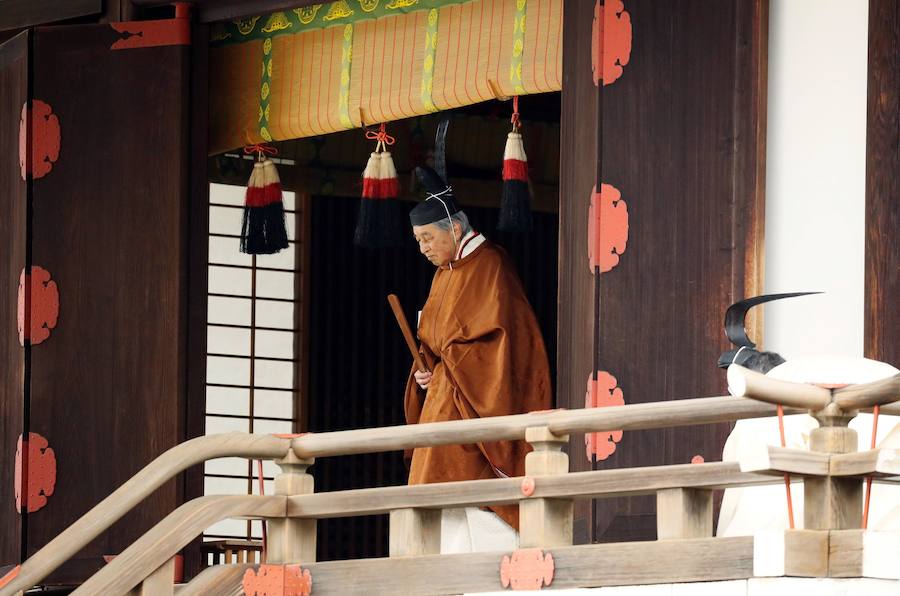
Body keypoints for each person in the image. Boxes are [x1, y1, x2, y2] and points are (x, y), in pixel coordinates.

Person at [403, 165, 552, 554]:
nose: (423, 249)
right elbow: (435, 343)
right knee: (440, 515)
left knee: (474, 509)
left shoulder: (490, 266)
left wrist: (447, 365)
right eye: (418, 241)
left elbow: (502, 345)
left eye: (427, 238)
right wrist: (426, 368)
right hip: (443, 405)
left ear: (454, 229)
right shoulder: (443, 274)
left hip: (472, 408)